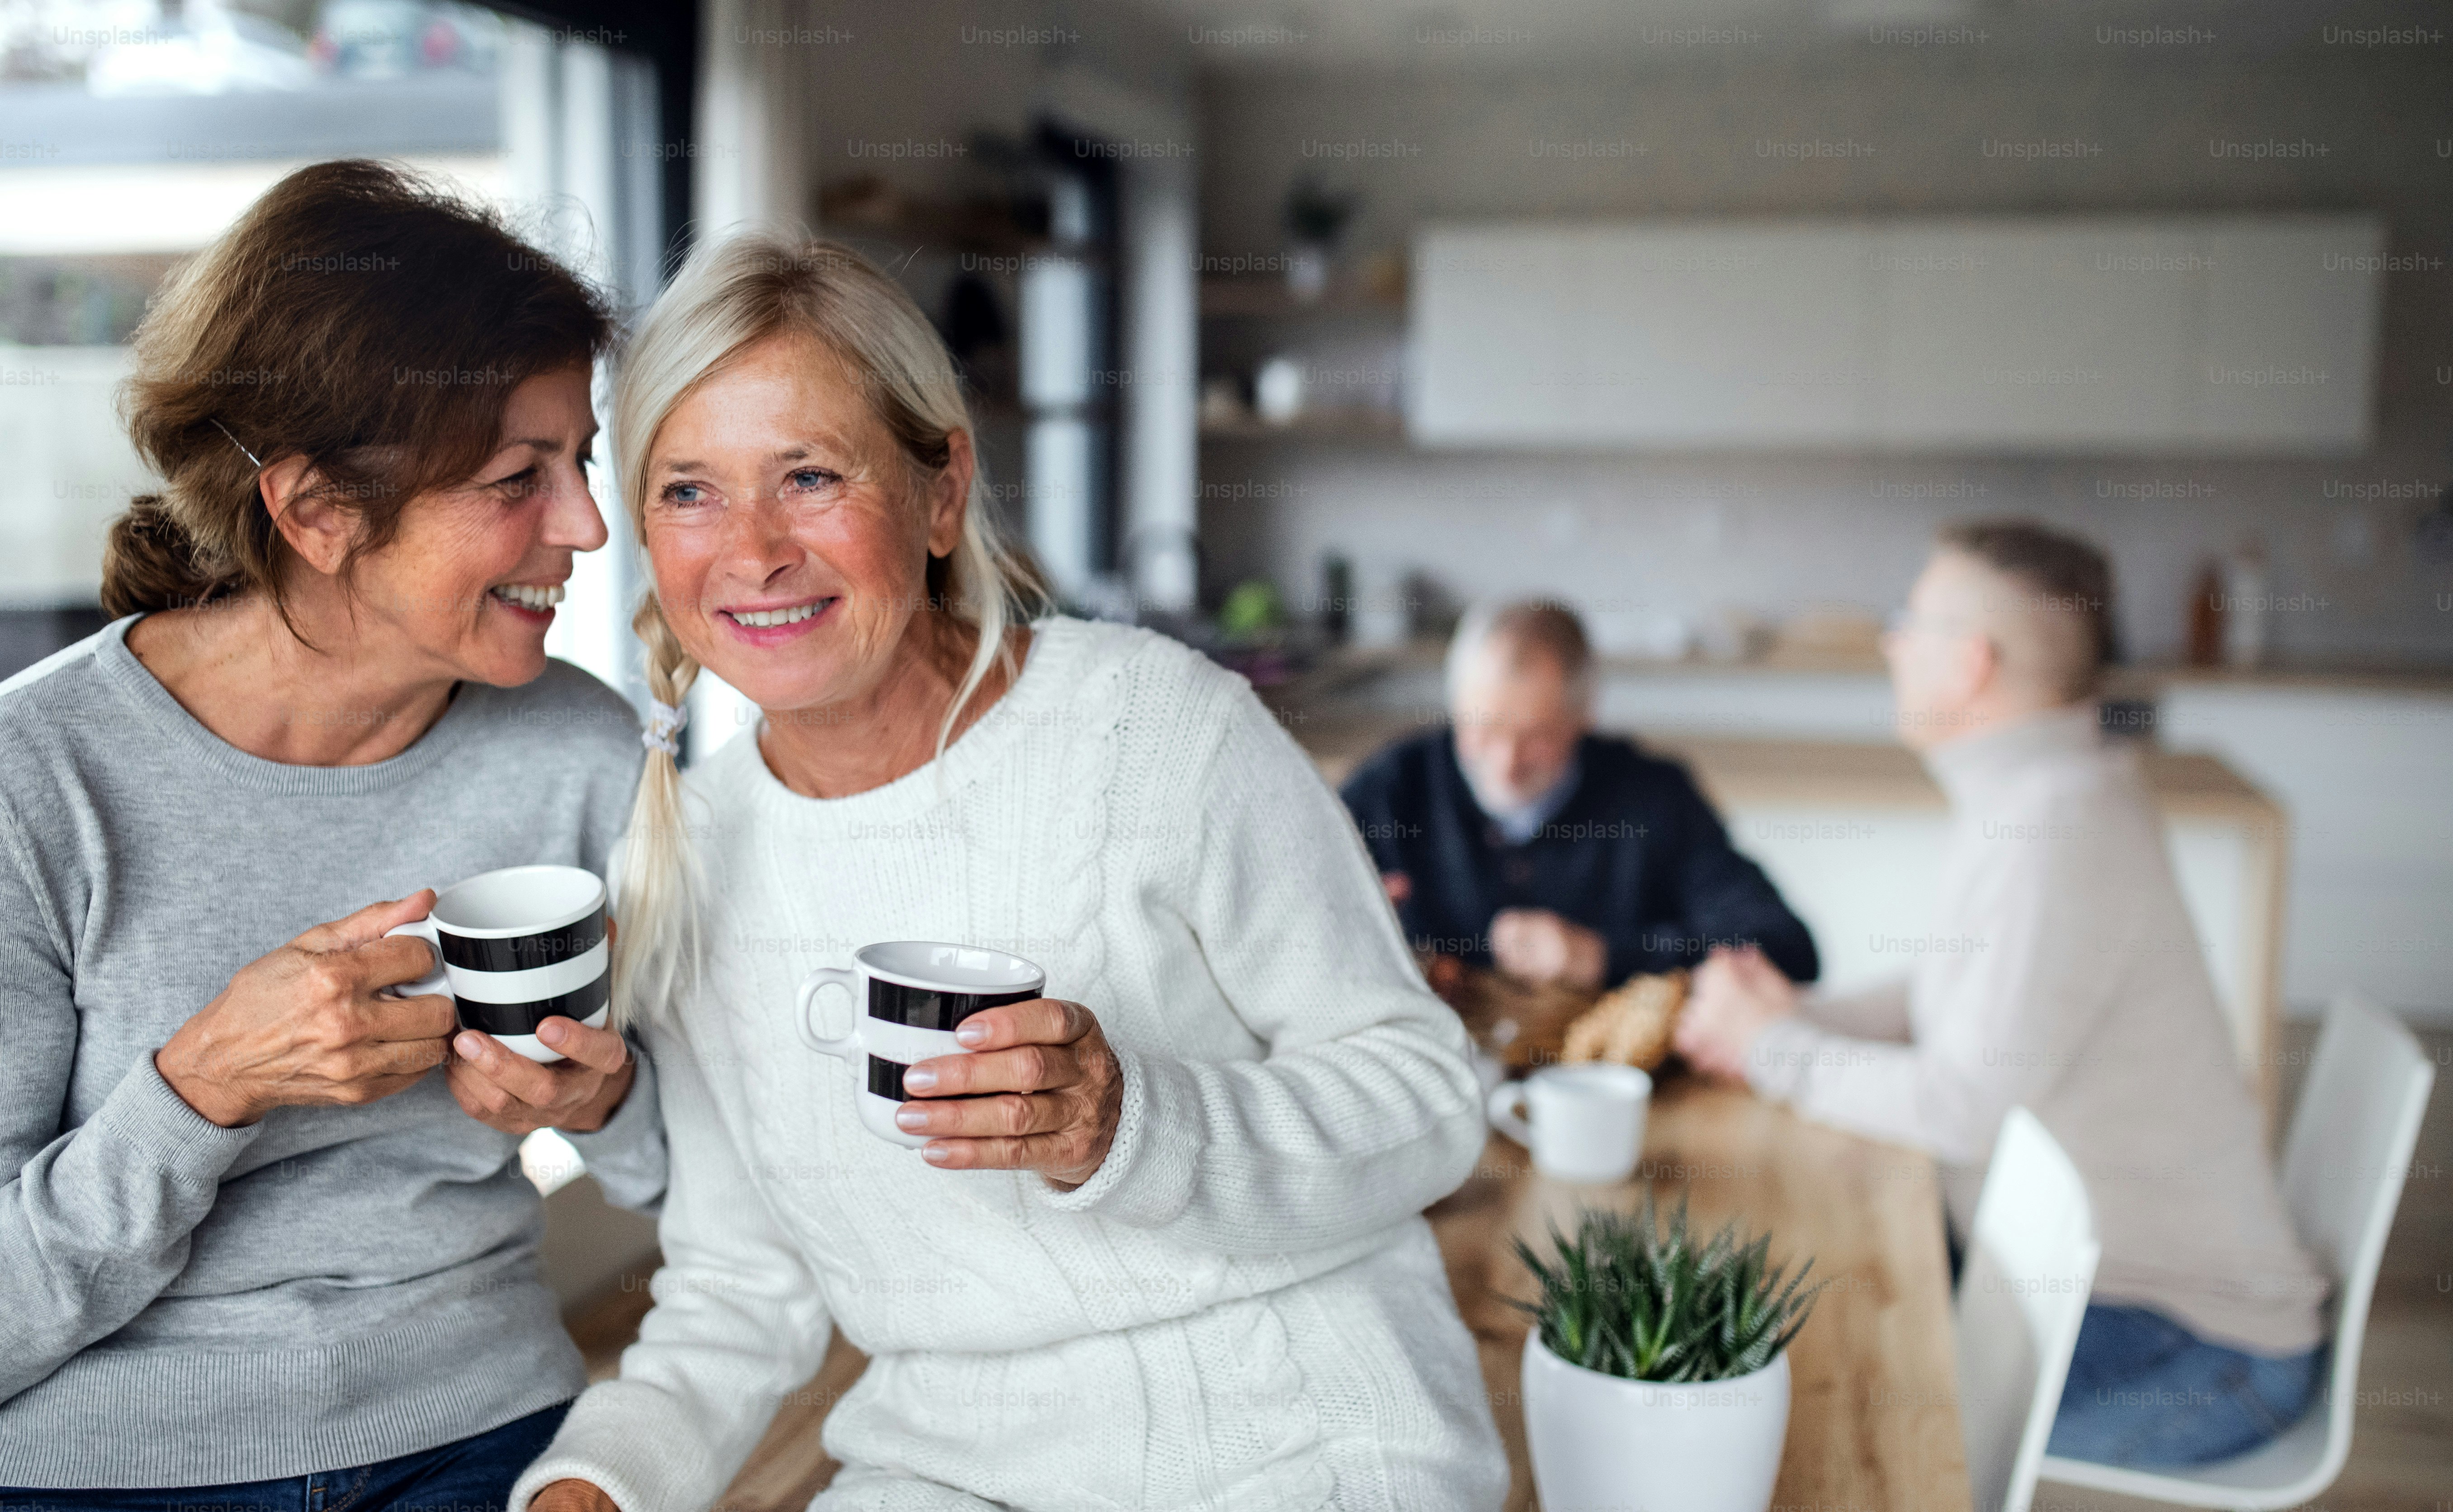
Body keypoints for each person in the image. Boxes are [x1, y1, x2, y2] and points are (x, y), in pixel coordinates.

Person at [513, 234, 1507, 1512]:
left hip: (1297, 1428)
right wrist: (593, 1485)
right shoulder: (693, 856)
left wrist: (1129, 1126)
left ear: (939, 492)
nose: (750, 552)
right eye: (689, 491)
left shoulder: (1155, 730)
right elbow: (740, 1287)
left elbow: (1428, 1102)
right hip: (953, 1465)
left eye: (809, 476)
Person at [0, 162, 665, 1503]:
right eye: (514, 478)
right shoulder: (34, 781)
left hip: (488, 1431)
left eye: (578, 462)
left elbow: (709, 1185)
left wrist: (604, 1098)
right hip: (104, 1465)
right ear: (313, 512)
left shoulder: (579, 746)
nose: (589, 528)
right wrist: (202, 1088)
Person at [1673, 519, 2328, 1469]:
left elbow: (1963, 1106)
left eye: (1911, 620)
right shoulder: (2042, 796)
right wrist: (1786, 1019)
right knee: (1788, 1324)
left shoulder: (2055, 823)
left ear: (1969, 662)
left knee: (1823, 1432)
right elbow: (1952, 992)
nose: (1892, 643)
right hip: (2104, 1289)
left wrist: (1774, 1047)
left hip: (2193, 1344)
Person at [1339, 599, 1818, 990]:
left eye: (1536, 736)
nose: (1506, 765)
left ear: (1583, 716)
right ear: (1454, 706)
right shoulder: (1392, 788)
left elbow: (1787, 947)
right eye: (1482, 729)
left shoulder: (1653, 798)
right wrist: (1347, 930)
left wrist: (1605, 955)